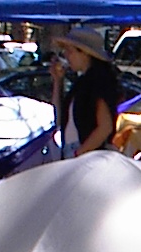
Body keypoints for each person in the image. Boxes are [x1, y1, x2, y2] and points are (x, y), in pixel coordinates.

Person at [50, 27, 122, 157]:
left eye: (70, 51)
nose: (66, 56)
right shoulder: (81, 83)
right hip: (74, 150)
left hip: (88, 155)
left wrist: (79, 154)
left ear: (84, 53)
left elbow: (105, 127)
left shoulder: (99, 81)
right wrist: (57, 81)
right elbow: (59, 118)